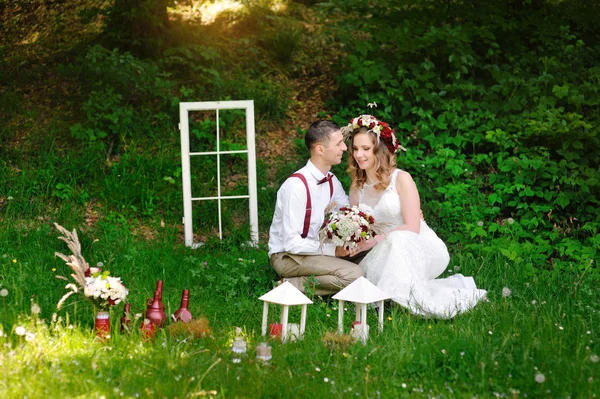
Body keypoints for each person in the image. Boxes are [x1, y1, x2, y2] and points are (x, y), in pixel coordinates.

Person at [342, 115, 487, 318]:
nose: (359, 154)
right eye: (355, 149)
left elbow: (412, 227)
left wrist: (374, 240)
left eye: (365, 149)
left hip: (418, 244)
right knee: (389, 248)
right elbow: (359, 230)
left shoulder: (401, 179)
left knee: (399, 239)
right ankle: (397, 302)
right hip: (380, 252)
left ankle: (409, 304)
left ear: (379, 150)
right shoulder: (356, 188)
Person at [268, 120, 365, 296]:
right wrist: (333, 251)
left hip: (312, 250)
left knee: (366, 259)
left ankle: (298, 283)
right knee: (355, 274)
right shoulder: (296, 186)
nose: (344, 148)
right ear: (320, 149)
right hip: (288, 256)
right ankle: (291, 286)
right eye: (338, 144)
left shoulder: (330, 180)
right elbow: (292, 244)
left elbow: (348, 212)